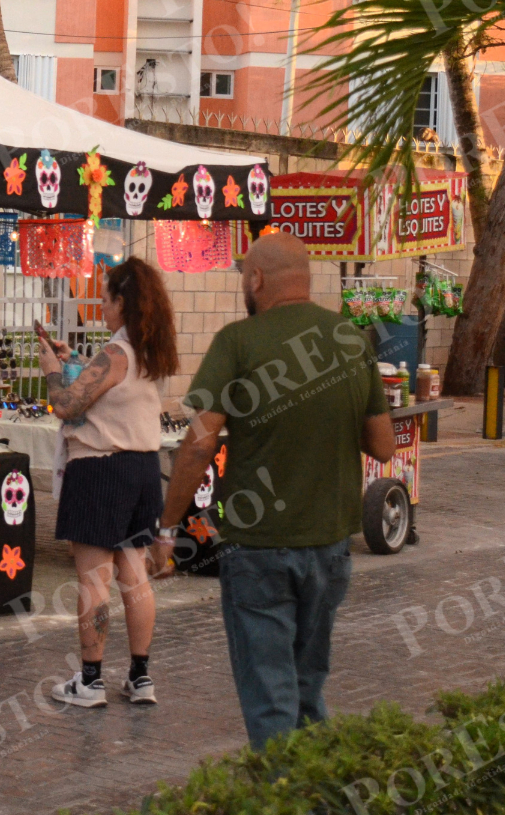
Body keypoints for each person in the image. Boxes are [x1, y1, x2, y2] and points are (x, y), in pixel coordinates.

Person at [152, 233, 394, 749]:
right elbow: (383, 445)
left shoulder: (238, 342)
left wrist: (167, 528)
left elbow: (198, 445)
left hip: (258, 547)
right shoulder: (352, 339)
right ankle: (315, 786)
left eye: (245, 276)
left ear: (257, 279)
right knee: (307, 690)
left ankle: (282, 788)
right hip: (330, 547)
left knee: (270, 697)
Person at [37, 257, 179, 708]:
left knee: (94, 580)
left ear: (122, 302)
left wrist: (52, 369)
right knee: (135, 578)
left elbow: (65, 404)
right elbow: (110, 389)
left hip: (100, 470)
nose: (100, 307)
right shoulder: (148, 351)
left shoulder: (115, 353)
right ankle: (140, 676)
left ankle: (91, 680)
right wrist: (76, 361)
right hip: (142, 470)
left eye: (105, 299)